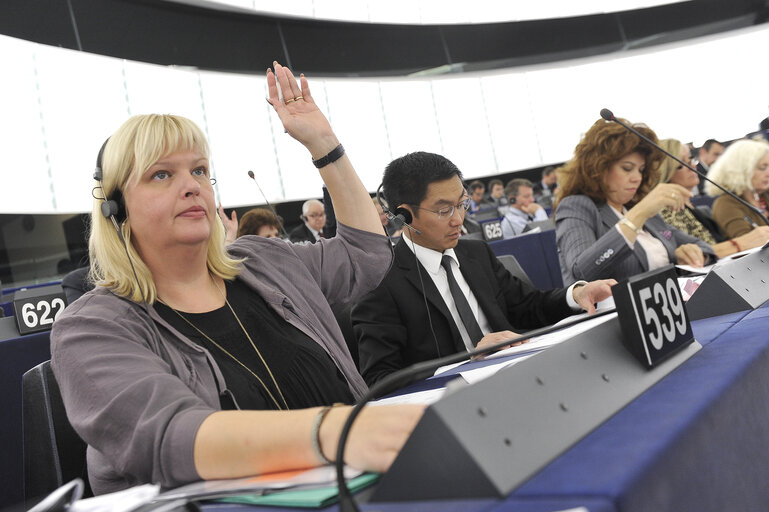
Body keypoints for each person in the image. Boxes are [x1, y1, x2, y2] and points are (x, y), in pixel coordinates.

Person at [50, 62, 423, 495]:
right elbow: (173, 436)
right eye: (162, 174)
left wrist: (324, 144)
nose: (192, 186)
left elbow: (366, 255)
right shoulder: (91, 328)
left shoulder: (265, 262)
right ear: (116, 208)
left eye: (199, 170)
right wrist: (334, 432)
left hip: (369, 487)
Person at [351, 151, 615, 386]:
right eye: (444, 210)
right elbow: (380, 379)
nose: (458, 220)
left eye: (462, 204)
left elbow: (528, 306)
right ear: (404, 215)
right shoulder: (378, 282)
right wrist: (468, 362)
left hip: (522, 381)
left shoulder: (476, 253)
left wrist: (577, 294)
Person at [554, 118, 715, 285]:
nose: (637, 178)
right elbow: (581, 274)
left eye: (641, 170)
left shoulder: (635, 208)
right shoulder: (577, 207)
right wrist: (638, 215)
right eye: (627, 168)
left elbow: (704, 246)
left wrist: (694, 254)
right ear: (599, 167)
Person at [657, 138, 769, 257]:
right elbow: (688, 256)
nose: (692, 167)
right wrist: (739, 244)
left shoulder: (694, 208)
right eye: (681, 164)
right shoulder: (669, 211)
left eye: (690, 160)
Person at [706, 138, 769, 238]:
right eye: (762, 168)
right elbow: (750, 243)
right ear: (742, 171)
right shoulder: (725, 205)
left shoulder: (763, 195)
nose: (768, 173)